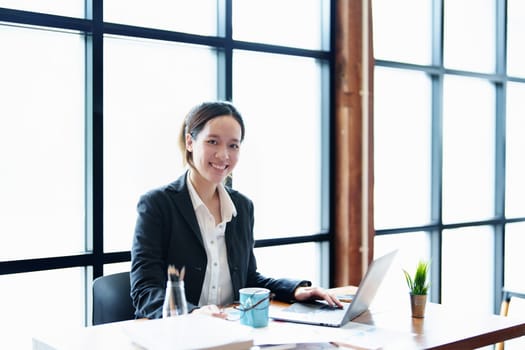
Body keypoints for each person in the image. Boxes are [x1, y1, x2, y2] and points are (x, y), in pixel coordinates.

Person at [130, 101, 342, 319]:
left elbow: (248, 279)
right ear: (190, 142)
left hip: (229, 328)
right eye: (213, 142)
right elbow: (145, 291)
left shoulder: (242, 206)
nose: (224, 155)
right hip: (177, 333)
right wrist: (193, 313)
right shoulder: (157, 204)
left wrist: (295, 290)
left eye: (233, 145)